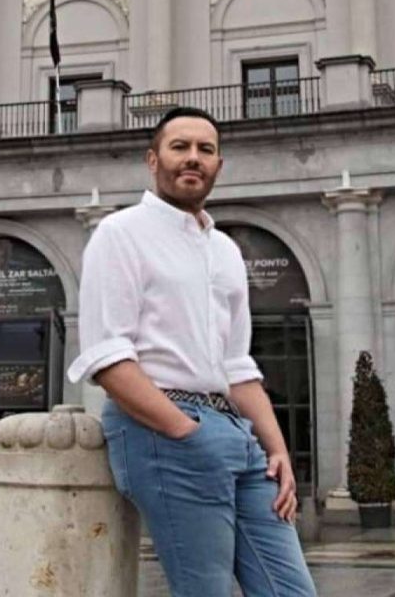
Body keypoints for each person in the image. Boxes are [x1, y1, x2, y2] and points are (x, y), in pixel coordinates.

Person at [68, 106, 316, 596]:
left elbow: (237, 365)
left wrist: (277, 449)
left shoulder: (224, 249)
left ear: (218, 165)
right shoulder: (120, 233)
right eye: (179, 146)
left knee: (291, 591)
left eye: (205, 149)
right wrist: (185, 431)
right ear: (153, 159)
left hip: (236, 433)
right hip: (164, 430)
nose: (193, 158)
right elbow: (109, 357)